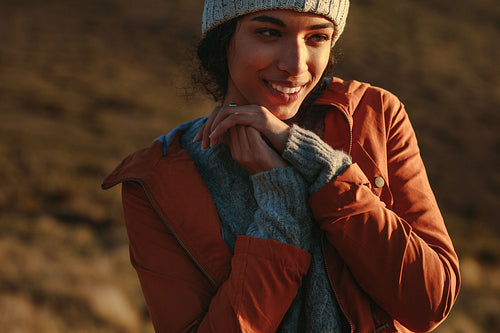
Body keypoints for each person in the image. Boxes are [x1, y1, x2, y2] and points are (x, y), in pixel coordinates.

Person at [102, 0, 460, 332]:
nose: (296, 64)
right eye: (269, 33)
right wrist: (280, 199)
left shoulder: (373, 114)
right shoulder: (158, 178)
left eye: (317, 37)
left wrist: (319, 165)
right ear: (225, 39)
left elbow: (429, 301)